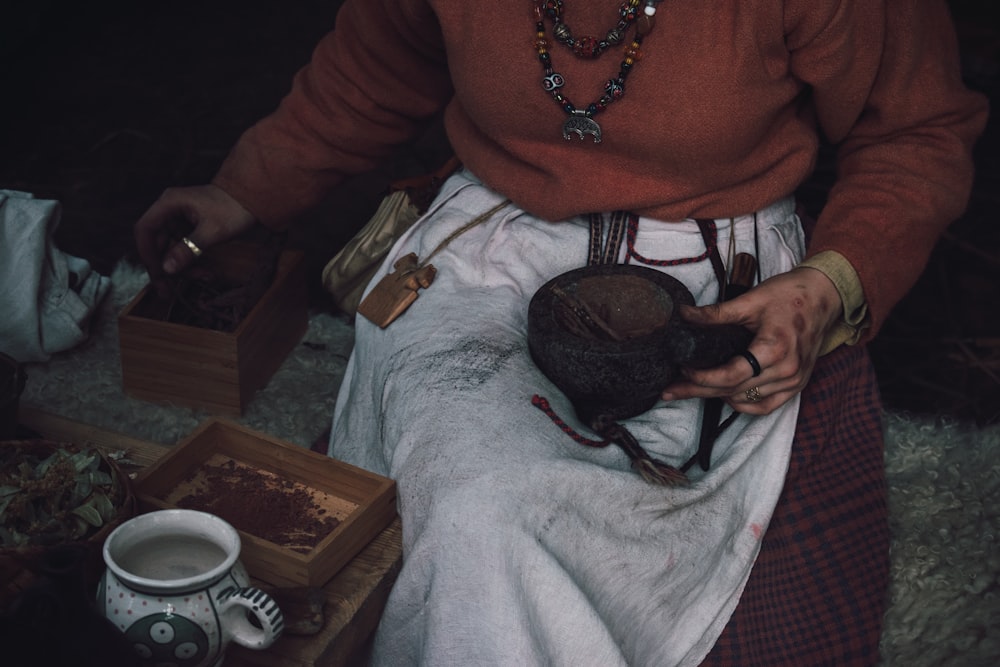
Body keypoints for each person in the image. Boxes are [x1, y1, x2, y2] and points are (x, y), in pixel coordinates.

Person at [134, 1, 987, 664]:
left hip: (715, 258)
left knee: (645, 498)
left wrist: (827, 287)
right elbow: (373, 66)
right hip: (492, 245)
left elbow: (915, 129)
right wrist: (244, 191)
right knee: (481, 507)